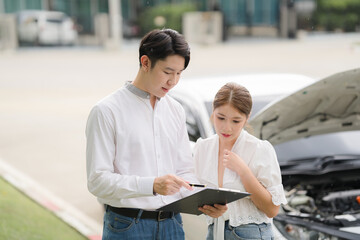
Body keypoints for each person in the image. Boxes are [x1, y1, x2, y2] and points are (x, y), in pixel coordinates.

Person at [86, 29, 222, 240]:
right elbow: (97, 182)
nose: (173, 81)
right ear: (145, 62)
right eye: (168, 72)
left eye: (179, 73)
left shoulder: (175, 109)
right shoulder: (106, 111)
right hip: (128, 226)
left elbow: (185, 170)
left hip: (173, 224)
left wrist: (202, 202)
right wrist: (151, 185)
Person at [194, 82, 288, 240]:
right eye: (221, 118)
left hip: (250, 234)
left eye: (235, 121)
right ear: (213, 111)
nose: (226, 127)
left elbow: (272, 209)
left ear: (247, 118)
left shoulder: (259, 149)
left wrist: (244, 172)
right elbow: (194, 194)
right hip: (213, 233)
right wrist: (209, 208)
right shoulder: (202, 148)